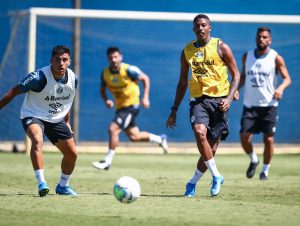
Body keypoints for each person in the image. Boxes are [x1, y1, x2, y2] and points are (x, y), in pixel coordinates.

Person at [166, 14, 240, 197]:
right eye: (197, 26)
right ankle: (216, 176)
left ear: (210, 27)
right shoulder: (187, 51)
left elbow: (236, 75)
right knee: (199, 132)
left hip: (220, 102)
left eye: (204, 25)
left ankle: (192, 182)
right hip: (198, 100)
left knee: (211, 150)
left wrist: (229, 98)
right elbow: (182, 82)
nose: (200, 28)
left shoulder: (221, 47)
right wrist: (174, 110)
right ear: (193, 29)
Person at [0, 45, 79, 197]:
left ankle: (63, 186)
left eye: (64, 60)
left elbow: (66, 102)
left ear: (69, 61)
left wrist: (67, 122)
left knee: (72, 154)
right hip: (33, 114)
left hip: (55, 118)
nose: (61, 63)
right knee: (37, 140)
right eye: (57, 60)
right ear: (51, 61)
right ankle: (41, 183)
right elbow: (13, 92)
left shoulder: (73, 79)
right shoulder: (38, 77)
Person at [92, 46, 168, 170]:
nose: (114, 59)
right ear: (108, 59)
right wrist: (107, 100)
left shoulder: (129, 70)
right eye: (111, 57)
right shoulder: (105, 73)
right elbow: (102, 89)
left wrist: (145, 97)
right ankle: (160, 139)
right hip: (120, 107)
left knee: (113, 129)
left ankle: (107, 161)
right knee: (134, 136)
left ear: (120, 57)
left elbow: (145, 78)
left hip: (131, 106)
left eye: (116, 57)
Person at [238, 27, 291, 180]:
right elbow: (242, 77)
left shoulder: (276, 58)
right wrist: (235, 89)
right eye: (259, 37)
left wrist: (280, 88)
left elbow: (287, 78)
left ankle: (265, 170)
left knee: (268, 139)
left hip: (269, 106)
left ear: (270, 40)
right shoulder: (247, 57)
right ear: (256, 39)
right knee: (244, 137)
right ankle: (254, 159)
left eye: (265, 37)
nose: (262, 39)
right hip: (250, 105)